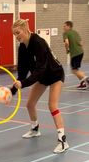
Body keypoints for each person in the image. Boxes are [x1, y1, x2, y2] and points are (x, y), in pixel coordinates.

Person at [10, 19, 69, 154]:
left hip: (55, 74)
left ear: (25, 29)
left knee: (52, 105)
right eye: (14, 34)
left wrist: (23, 83)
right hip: (42, 77)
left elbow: (40, 69)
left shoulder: (39, 43)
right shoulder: (22, 48)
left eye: (18, 32)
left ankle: (63, 141)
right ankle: (35, 129)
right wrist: (12, 90)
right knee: (30, 104)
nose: (16, 36)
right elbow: (22, 73)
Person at [63, 21, 89, 90]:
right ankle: (83, 83)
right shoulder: (75, 32)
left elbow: (66, 43)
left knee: (74, 70)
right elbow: (81, 43)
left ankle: (86, 79)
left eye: (65, 26)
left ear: (69, 26)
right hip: (81, 52)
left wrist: (67, 49)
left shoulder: (66, 33)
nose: (63, 27)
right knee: (76, 69)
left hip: (75, 53)